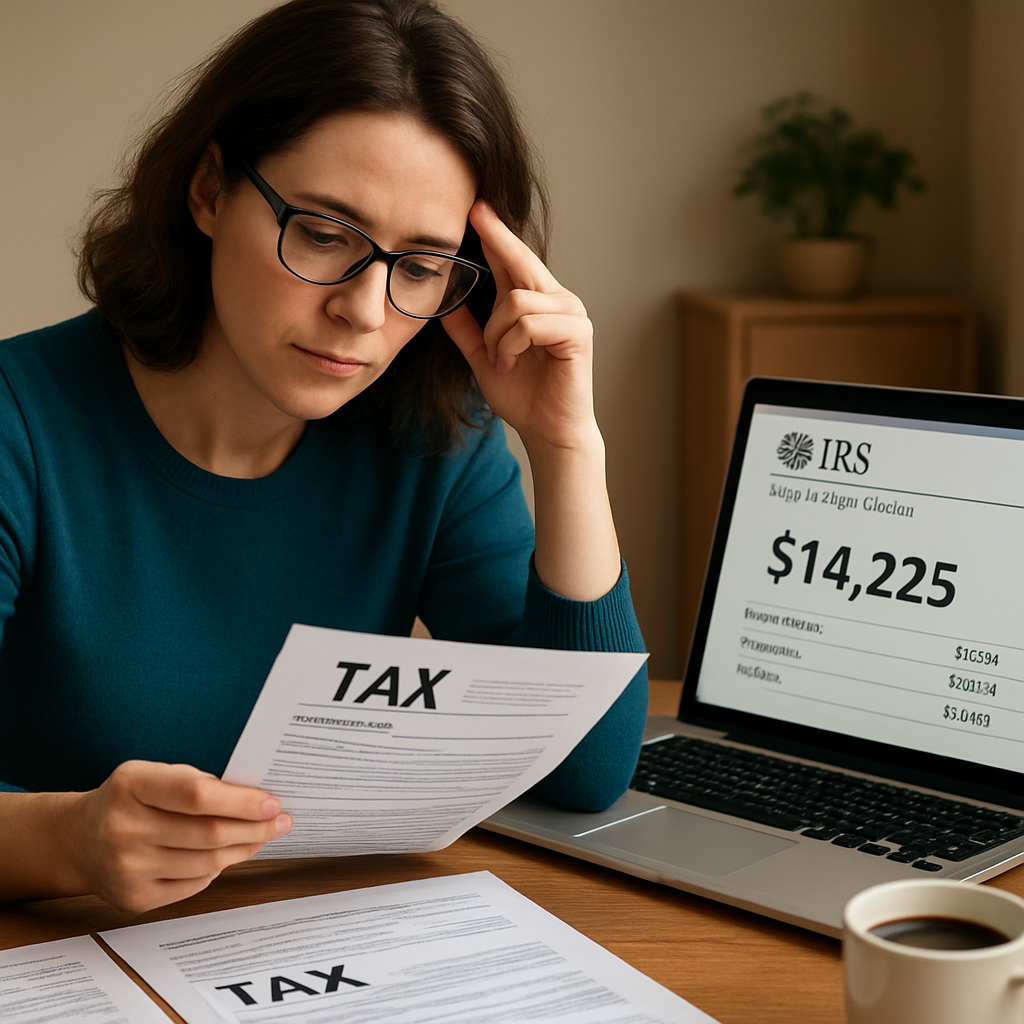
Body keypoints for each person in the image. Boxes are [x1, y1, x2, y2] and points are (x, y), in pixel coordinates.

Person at [0, 0, 647, 913]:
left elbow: (585, 771)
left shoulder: (433, 432)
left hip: (305, 941)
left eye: (419, 266)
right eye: (325, 233)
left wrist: (567, 445)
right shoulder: (19, 422)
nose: (364, 311)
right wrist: (63, 842)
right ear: (210, 190)